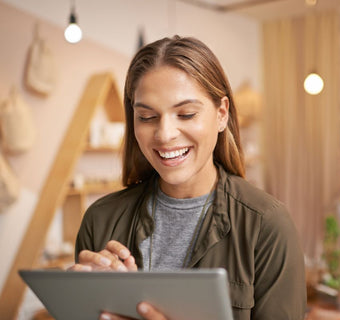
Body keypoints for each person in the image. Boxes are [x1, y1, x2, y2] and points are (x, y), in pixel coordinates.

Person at [70, 35, 306, 320]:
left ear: (221, 114)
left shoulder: (266, 225)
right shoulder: (100, 220)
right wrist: (79, 306)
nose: (165, 134)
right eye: (146, 117)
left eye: (186, 114)